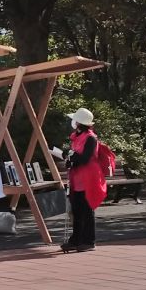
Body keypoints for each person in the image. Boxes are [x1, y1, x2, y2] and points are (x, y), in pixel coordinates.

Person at [62, 108, 108, 252]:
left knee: (87, 211)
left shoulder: (90, 138)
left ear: (79, 122)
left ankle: (89, 241)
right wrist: (69, 159)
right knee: (76, 210)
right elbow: (75, 156)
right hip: (78, 179)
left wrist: (71, 157)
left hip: (89, 178)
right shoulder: (76, 137)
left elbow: (85, 157)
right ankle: (76, 239)